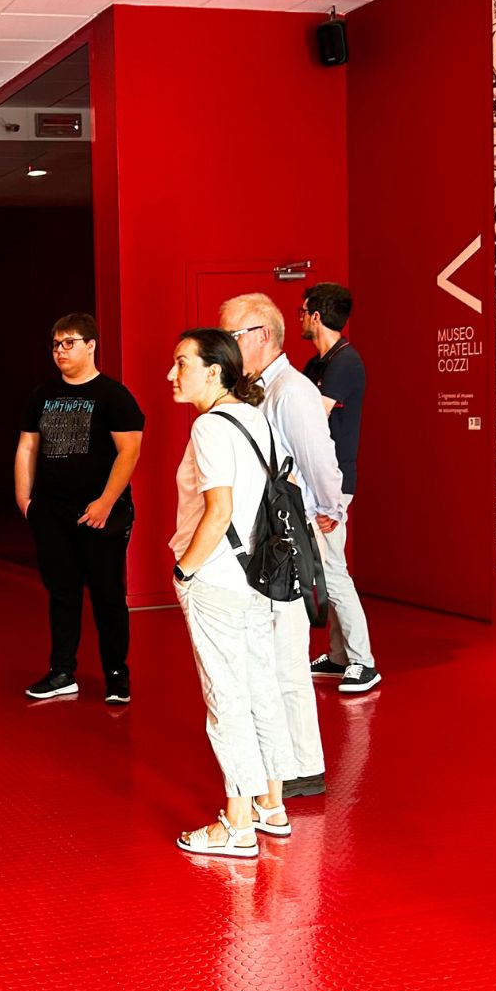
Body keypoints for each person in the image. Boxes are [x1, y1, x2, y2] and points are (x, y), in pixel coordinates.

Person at [167, 328, 308, 858]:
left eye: (182, 363)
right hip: (257, 577)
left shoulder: (208, 427)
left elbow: (219, 510)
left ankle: (237, 825)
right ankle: (272, 805)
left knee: (225, 697)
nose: (172, 374)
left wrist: (184, 571)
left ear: (214, 371)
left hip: (217, 579)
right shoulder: (255, 418)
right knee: (260, 687)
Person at [221, 293, 348, 798]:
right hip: (269, 536)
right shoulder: (260, 389)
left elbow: (319, 459)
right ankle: (286, 763)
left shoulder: (291, 391)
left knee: (287, 657)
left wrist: (329, 510)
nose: (225, 346)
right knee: (271, 655)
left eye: (231, 336)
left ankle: (302, 766)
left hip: (289, 533)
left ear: (262, 336)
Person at [15, 313, 145, 704]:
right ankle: (61, 672)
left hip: (102, 514)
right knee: (62, 594)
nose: (61, 351)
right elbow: (27, 447)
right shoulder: (42, 395)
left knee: (107, 596)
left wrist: (105, 502)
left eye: (69, 342)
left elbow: (129, 452)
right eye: (56, 344)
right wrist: (24, 500)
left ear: (91, 345)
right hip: (52, 513)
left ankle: (117, 675)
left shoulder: (114, 396)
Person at [298, 284, 380, 694]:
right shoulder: (317, 364)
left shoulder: (346, 363)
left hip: (334, 482)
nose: (299, 317)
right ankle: (339, 656)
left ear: (316, 317)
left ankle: (364, 662)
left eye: (303, 311)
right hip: (316, 479)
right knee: (328, 571)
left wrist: (329, 501)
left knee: (333, 571)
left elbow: (309, 421)